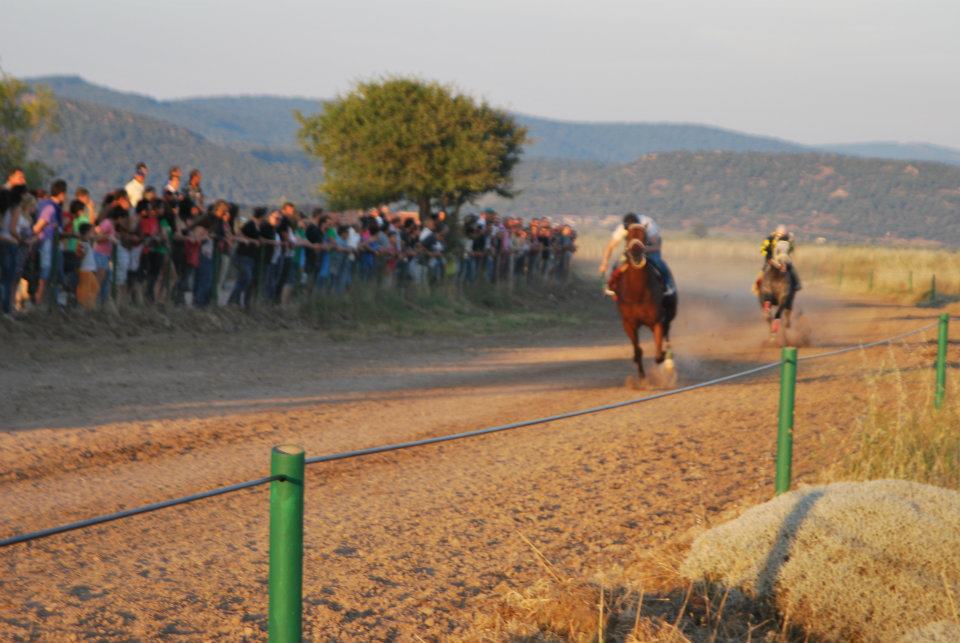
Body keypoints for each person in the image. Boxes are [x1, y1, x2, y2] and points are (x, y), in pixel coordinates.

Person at [600, 212, 676, 297]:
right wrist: (604, 262)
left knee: (657, 261)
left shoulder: (649, 225)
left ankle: (668, 285)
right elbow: (610, 246)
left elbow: (656, 246)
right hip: (632, 250)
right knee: (617, 264)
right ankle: (612, 286)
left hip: (649, 247)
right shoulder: (622, 228)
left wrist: (643, 250)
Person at [32, 179, 67, 305]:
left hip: (51, 243)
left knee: (54, 272)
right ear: (61, 193)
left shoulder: (50, 206)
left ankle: (50, 302)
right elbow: (38, 226)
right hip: (47, 243)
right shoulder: (50, 208)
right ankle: (39, 302)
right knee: (46, 273)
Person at [757, 224, 801, 292]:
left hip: (783, 260)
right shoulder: (769, 239)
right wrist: (769, 257)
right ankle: (758, 285)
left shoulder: (788, 240)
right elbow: (763, 249)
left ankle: (796, 284)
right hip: (771, 259)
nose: (781, 235)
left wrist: (789, 252)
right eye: (780, 233)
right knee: (765, 270)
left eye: (783, 233)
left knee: (791, 269)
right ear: (776, 232)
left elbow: (791, 249)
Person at [75, 223, 100, 310]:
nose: (92, 234)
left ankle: (89, 305)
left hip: (88, 270)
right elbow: (80, 256)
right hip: (84, 270)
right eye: (91, 232)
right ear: (86, 233)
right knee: (85, 289)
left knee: (94, 287)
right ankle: (84, 306)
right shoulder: (82, 244)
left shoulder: (87, 242)